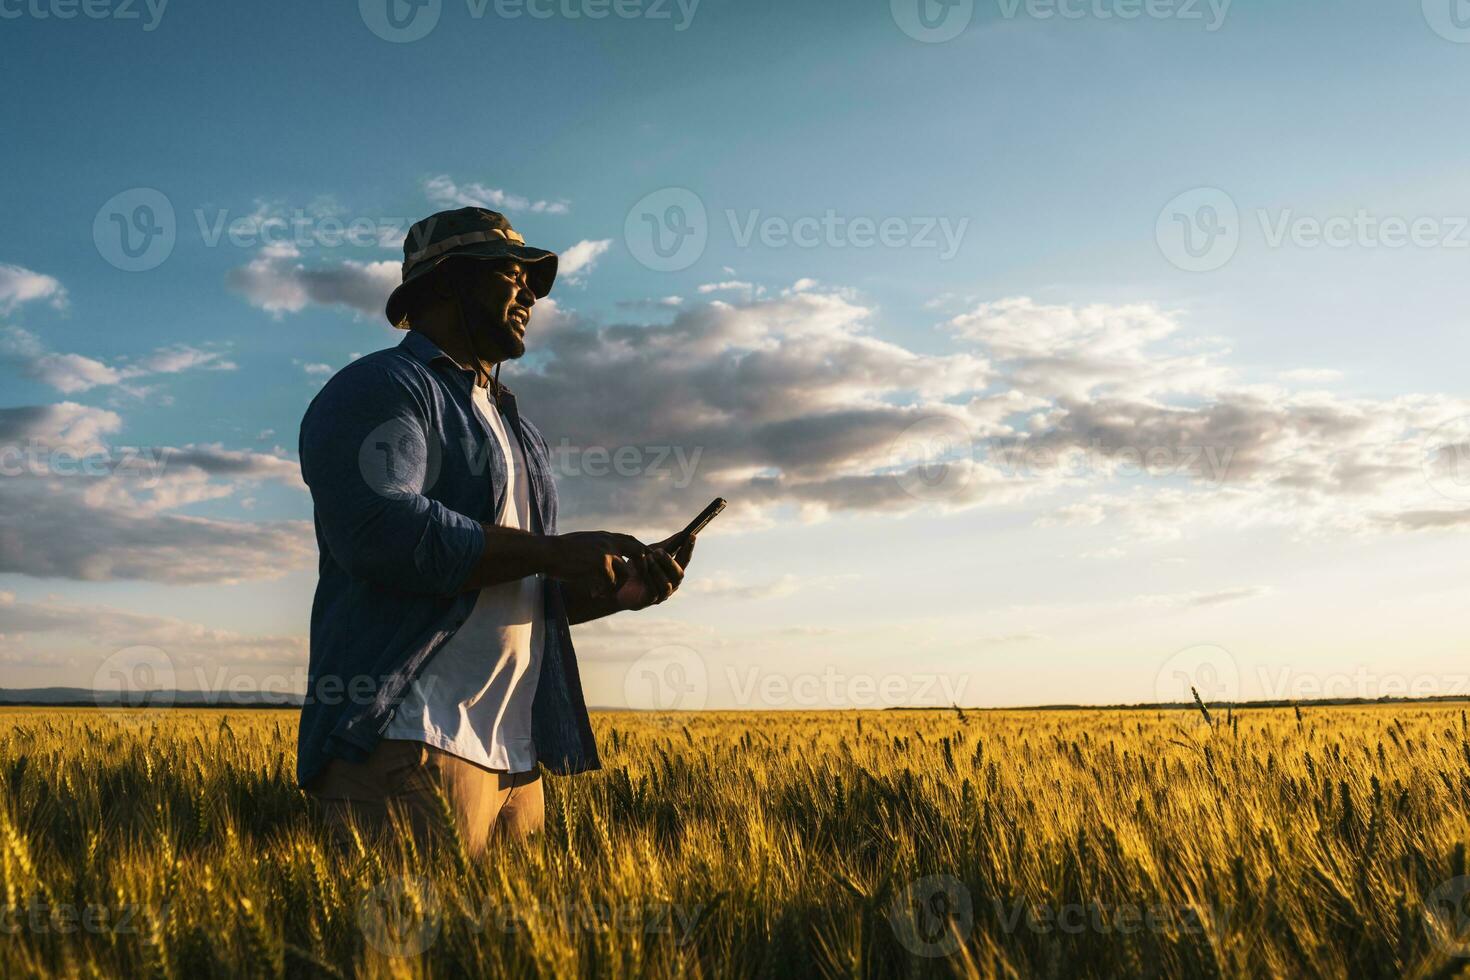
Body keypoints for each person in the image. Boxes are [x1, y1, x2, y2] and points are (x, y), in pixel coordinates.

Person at [295, 206, 695, 854]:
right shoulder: (380, 387)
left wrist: (616, 590)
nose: (531, 295)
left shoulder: (515, 427)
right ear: (450, 280)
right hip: (410, 742)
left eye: (533, 284)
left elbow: (512, 592)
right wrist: (553, 552)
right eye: (513, 276)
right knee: (414, 958)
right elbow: (379, 530)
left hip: (515, 759)